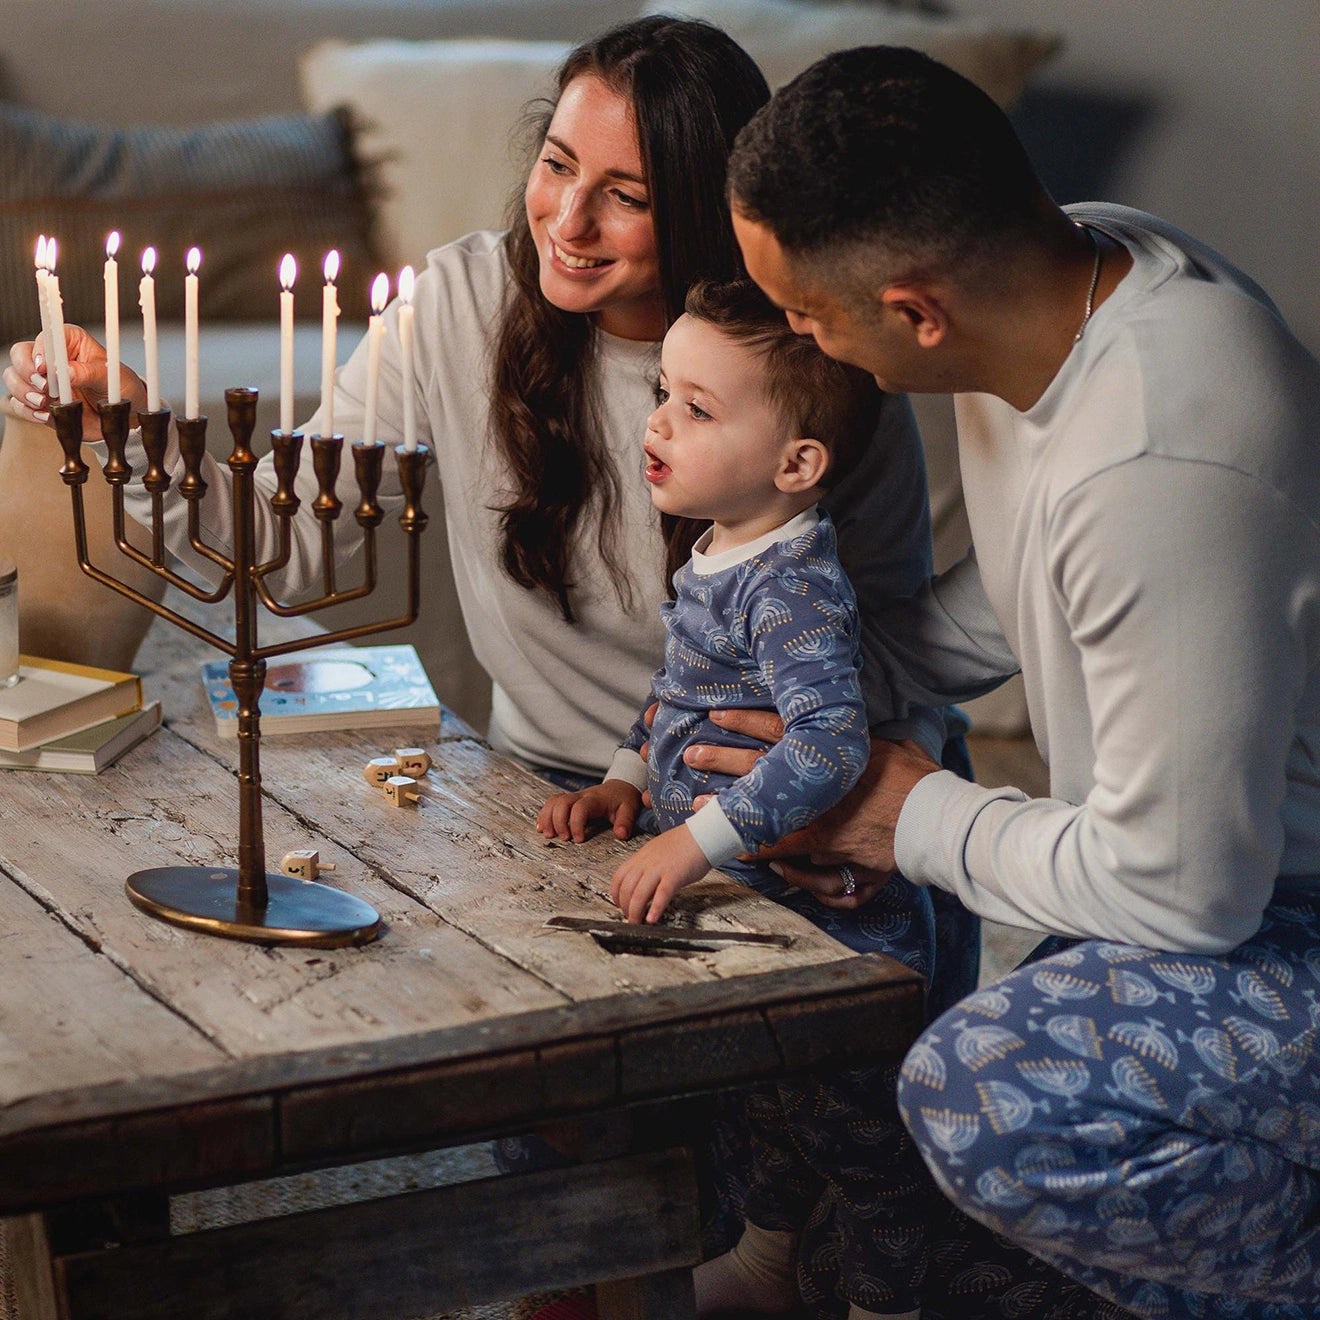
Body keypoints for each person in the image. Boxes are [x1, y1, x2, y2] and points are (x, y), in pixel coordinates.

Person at [4, 19, 997, 1319]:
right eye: (556, 165)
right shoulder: (461, 302)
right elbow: (300, 535)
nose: (567, 220)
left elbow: (874, 664)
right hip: (560, 799)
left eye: (625, 195)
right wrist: (135, 430)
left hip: (796, 804)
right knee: (572, 1178)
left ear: (706, 209)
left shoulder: (807, 363)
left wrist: (800, 815)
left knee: (830, 1155)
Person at [711, 42, 1320, 1320]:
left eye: (812, 316)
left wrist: (910, 815)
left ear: (918, 310)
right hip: (1200, 876)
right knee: (871, 1258)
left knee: (978, 1102)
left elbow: (1187, 891)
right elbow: (1038, 585)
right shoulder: (1069, 278)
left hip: (1271, 903)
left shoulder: (1161, 455)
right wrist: (833, 688)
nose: (800, 341)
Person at [538, 277, 875, 928]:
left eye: (698, 410)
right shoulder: (728, 545)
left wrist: (696, 843)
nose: (657, 420)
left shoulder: (789, 590)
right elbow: (680, 689)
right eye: (665, 392)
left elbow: (831, 744)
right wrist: (625, 780)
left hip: (781, 904)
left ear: (797, 465)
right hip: (703, 866)